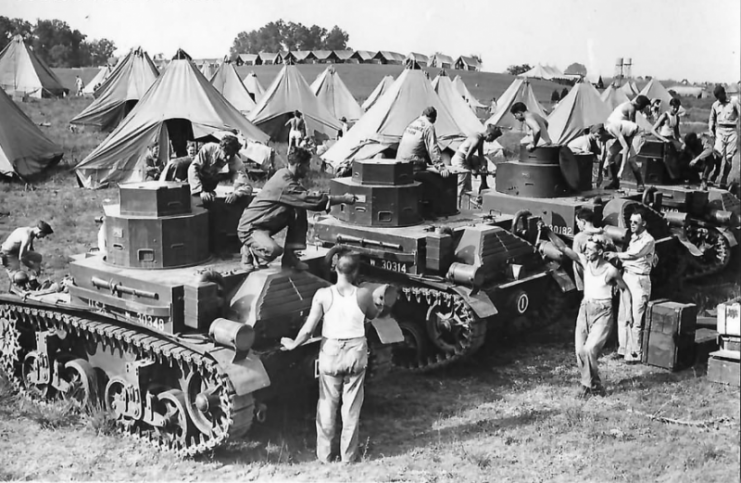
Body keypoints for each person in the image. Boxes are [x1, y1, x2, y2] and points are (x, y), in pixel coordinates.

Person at [281, 249, 389, 463]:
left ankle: (325, 455)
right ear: (356, 271)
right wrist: (379, 304)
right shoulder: (363, 295)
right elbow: (373, 315)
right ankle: (349, 456)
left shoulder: (323, 295)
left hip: (330, 353)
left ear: (335, 269)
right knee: (351, 408)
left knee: (327, 404)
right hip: (355, 354)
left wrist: (293, 344)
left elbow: (309, 329)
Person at [540, 222, 632, 398]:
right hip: (585, 310)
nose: (586, 252)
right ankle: (595, 386)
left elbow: (625, 289)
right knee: (580, 351)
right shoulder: (584, 261)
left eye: (590, 249)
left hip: (603, 313)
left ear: (599, 251)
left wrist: (628, 313)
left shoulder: (611, 271)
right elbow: (563, 247)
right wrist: (548, 232)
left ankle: (586, 386)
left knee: (589, 350)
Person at [237, 147, 355, 271]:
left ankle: (290, 257)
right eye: (307, 165)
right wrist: (344, 198)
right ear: (299, 166)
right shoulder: (285, 183)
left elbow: (306, 197)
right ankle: (248, 250)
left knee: (299, 209)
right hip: (250, 227)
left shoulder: (285, 175)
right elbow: (311, 199)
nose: (308, 169)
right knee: (272, 251)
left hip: (265, 223)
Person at [604, 208, 655, 363]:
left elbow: (634, 254)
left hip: (639, 280)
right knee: (623, 315)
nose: (632, 225)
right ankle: (622, 349)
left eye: (635, 222)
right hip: (627, 277)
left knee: (636, 318)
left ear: (644, 223)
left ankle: (634, 353)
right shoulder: (633, 237)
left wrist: (616, 255)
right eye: (631, 222)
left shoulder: (648, 240)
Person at [187, 134, 253, 205]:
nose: (228, 158)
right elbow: (193, 168)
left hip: (208, 186)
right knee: (178, 164)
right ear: (220, 148)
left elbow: (246, 185)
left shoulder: (237, 162)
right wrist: (200, 191)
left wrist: (236, 194)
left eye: (231, 155)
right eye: (226, 153)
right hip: (191, 180)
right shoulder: (208, 149)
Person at [451, 124, 502, 207]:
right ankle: (456, 206)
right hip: (460, 160)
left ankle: (464, 206)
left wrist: (483, 165)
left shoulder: (480, 138)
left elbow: (481, 155)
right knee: (461, 186)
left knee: (467, 188)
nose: (492, 141)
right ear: (489, 135)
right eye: (493, 138)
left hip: (464, 160)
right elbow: (467, 156)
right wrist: (472, 169)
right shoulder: (476, 139)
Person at [396, 107, 450, 177]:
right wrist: (441, 167)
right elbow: (432, 148)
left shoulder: (413, 123)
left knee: (424, 162)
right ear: (434, 118)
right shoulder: (429, 126)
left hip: (399, 161)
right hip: (412, 163)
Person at [570, 208, 614, 291]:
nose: (577, 224)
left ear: (583, 222)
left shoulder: (578, 238)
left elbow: (577, 259)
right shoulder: (605, 234)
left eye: (577, 222)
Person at [1, 221, 53, 288]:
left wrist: (36, 266)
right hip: (8, 255)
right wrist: (32, 267)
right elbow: (21, 257)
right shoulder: (26, 237)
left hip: (17, 251)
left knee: (38, 257)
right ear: (39, 231)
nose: (43, 237)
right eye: (44, 235)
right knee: (19, 277)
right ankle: (18, 289)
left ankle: (32, 281)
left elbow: (30, 250)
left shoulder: (30, 231)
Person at [709, 85, 740, 188]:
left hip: (732, 131)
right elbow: (712, 119)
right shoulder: (715, 105)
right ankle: (715, 174)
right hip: (720, 130)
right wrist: (711, 130)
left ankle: (724, 178)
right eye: (717, 97)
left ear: (724, 93)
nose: (719, 99)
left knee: (729, 158)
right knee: (718, 155)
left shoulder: (733, 102)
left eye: (720, 96)